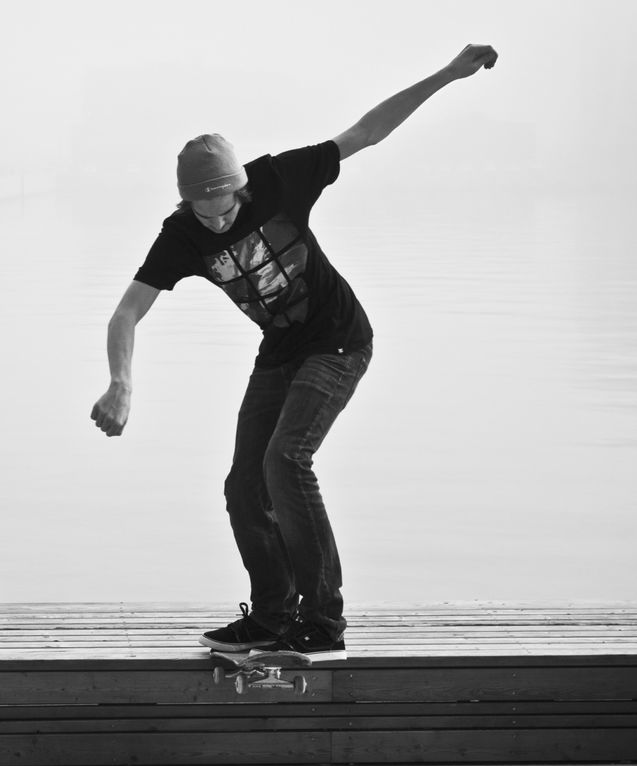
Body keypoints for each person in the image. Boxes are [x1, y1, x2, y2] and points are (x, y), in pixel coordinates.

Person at [90, 44, 499, 660]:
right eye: (204, 212)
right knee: (242, 487)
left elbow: (367, 131)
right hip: (280, 352)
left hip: (339, 340)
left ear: (241, 188)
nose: (218, 222)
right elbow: (128, 310)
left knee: (286, 460)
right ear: (186, 203)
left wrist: (447, 73)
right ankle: (274, 616)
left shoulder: (283, 178)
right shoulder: (180, 236)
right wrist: (121, 382)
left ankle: (323, 622)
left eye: (225, 207)